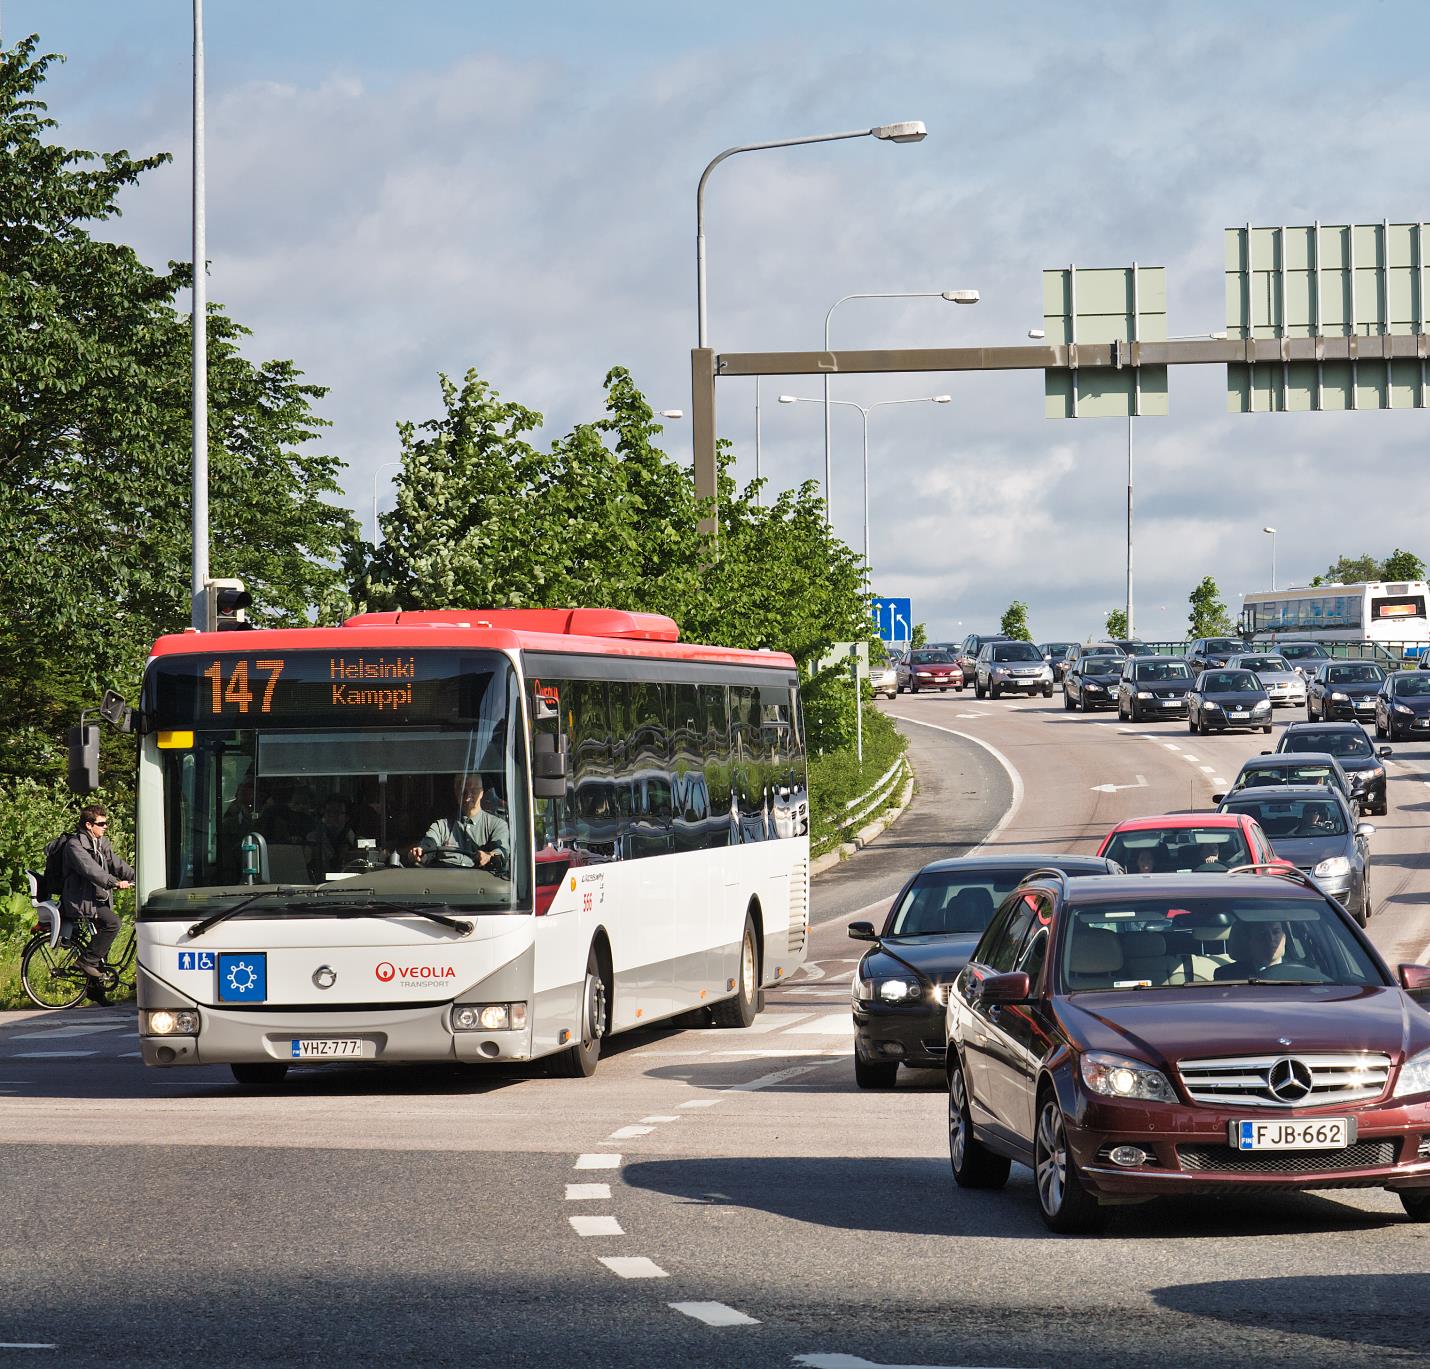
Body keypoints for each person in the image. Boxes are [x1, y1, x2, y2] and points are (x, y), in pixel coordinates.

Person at [62, 802, 134, 992]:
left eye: (105, 823)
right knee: (113, 924)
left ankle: (96, 991)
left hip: (96, 899)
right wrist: (114, 882)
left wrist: (140, 877)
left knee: (103, 949)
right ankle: (85, 961)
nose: (105, 827)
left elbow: (118, 865)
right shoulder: (74, 846)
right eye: (101, 824)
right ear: (88, 825)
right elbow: (91, 870)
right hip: (81, 901)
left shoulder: (101, 844)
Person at [408, 775, 509, 873]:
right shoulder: (441, 826)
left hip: (481, 885)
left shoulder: (498, 825)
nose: (468, 796)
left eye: (473, 790)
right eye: (463, 791)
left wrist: (489, 856)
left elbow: (501, 852)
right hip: (443, 884)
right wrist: (419, 852)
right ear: (456, 792)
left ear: (482, 792)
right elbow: (428, 844)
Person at [306, 794, 359, 880]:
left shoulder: (358, 842)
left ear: (347, 817)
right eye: (328, 812)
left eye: (337, 812)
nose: (332, 816)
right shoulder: (312, 839)